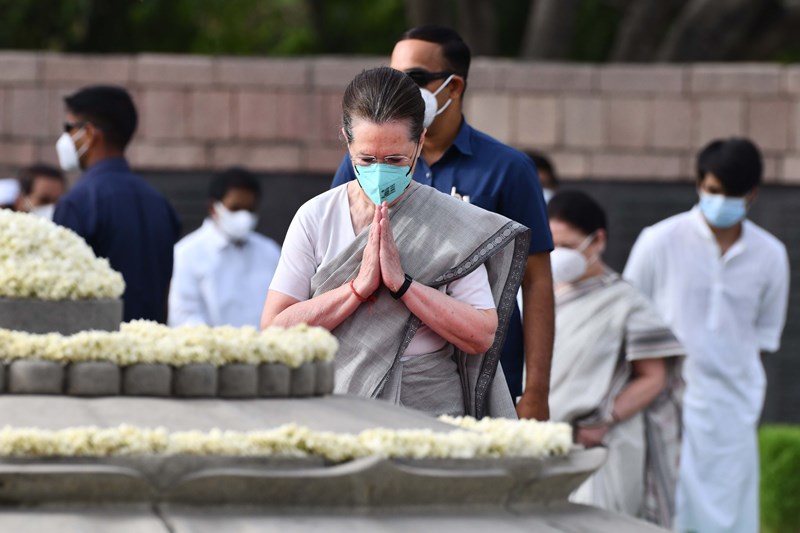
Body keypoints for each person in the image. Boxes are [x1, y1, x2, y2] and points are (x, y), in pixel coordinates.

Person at [262, 67, 530, 418]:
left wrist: (403, 286)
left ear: (419, 144)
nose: (379, 172)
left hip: (430, 406)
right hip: (339, 405)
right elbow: (274, 330)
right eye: (367, 160)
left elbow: (481, 334)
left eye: (394, 160)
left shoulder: (449, 219)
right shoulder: (316, 217)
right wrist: (357, 289)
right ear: (347, 140)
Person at [330, 26, 554, 420]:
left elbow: (535, 281)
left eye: (415, 78)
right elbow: (336, 259)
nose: (401, 87)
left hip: (487, 362)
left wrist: (536, 389)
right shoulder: (362, 164)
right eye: (395, 75)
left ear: (453, 88)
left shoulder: (507, 169)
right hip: (371, 372)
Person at [624, 137, 790, 533]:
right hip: (666, 405)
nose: (722, 202)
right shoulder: (658, 240)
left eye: (734, 194)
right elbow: (627, 319)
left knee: (733, 515)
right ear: (699, 183)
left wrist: (733, 380)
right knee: (667, 512)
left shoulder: (771, 255)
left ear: (753, 194)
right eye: (715, 191)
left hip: (733, 410)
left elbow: (764, 339)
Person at [547, 190, 684, 528]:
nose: (558, 255)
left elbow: (655, 376)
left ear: (597, 241)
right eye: (552, 245)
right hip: (545, 444)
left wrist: (605, 419)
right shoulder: (537, 295)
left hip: (603, 447)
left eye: (567, 245)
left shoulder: (626, 302)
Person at [53, 85, 181, 323]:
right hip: (151, 349)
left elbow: (63, 297)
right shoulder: (159, 202)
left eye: (69, 128)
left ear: (89, 133)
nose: (65, 139)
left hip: (94, 352)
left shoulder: (78, 202)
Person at [169, 167, 281, 328]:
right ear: (213, 208)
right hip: (212, 351)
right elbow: (184, 316)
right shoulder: (187, 253)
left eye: (250, 209)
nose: (244, 217)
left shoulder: (270, 251)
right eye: (235, 208)